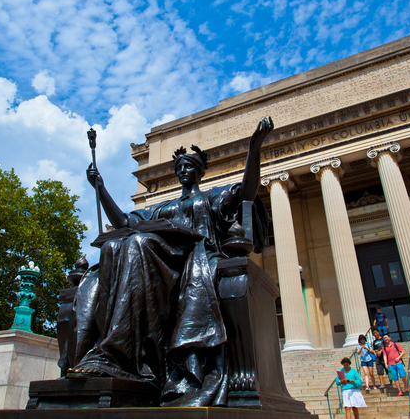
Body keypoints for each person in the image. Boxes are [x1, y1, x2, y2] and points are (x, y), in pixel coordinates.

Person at [69, 117, 275, 407]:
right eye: (179, 168)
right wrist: (100, 188)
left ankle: (118, 353)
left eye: (189, 167)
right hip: (160, 264)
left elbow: (248, 192)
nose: (183, 172)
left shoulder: (212, 199)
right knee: (115, 244)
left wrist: (255, 147)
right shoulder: (163, 208)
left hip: (194, 259)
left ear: (200, 172)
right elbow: (124, 221)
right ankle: (115, 356)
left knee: (140, 242)